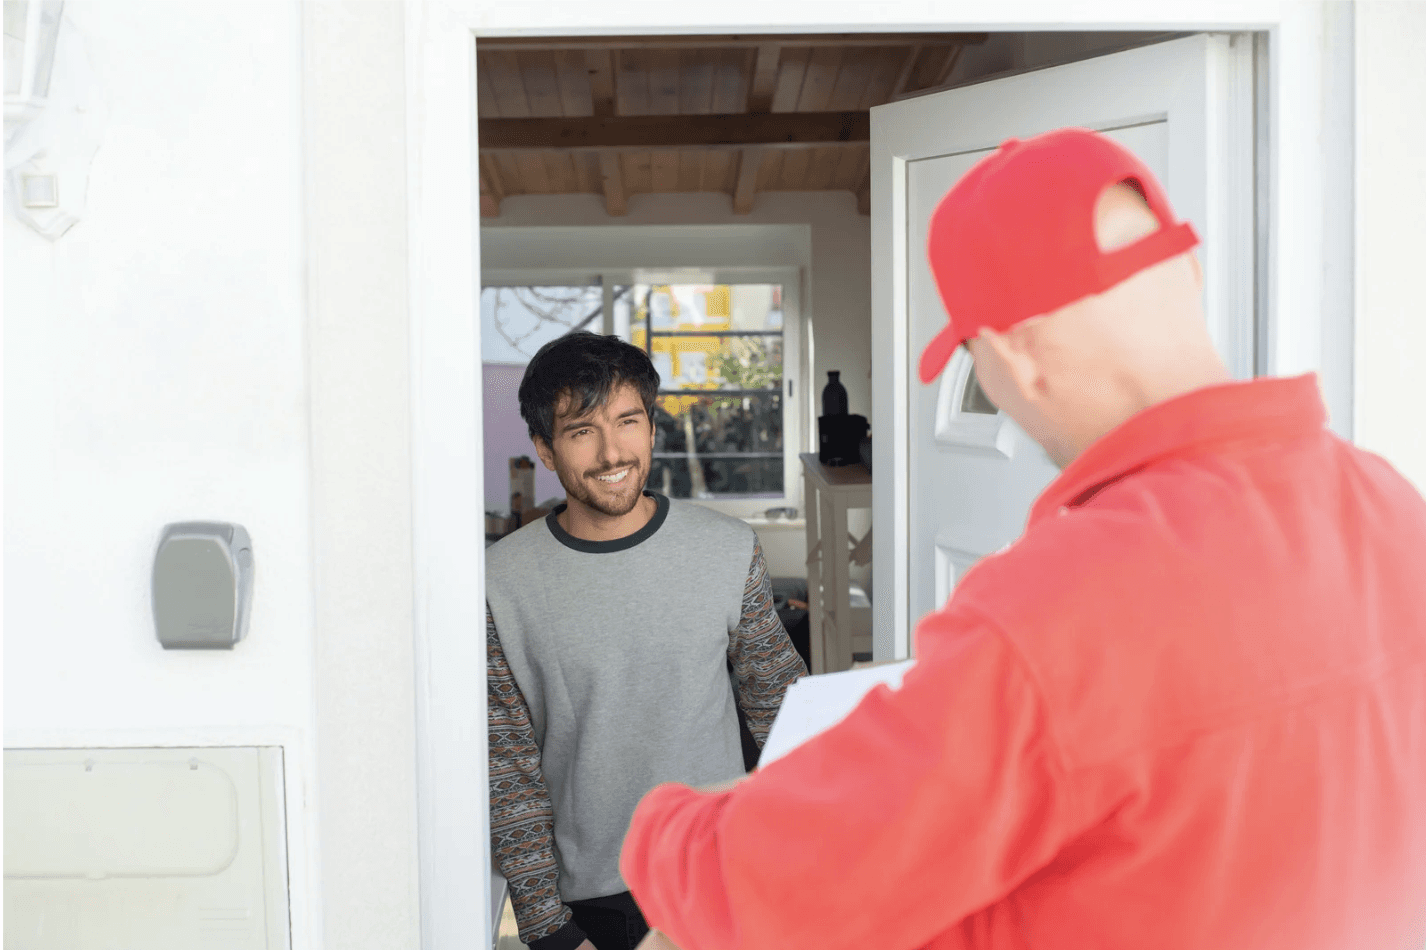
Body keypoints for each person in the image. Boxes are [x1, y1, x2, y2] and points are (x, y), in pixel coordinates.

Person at [618, 128, 1426, 950]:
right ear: (1186, 268)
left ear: (1013, 357)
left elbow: (767, 887)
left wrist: (661, 825)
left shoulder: (1065, 606)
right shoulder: (1393, 507)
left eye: (973, 360)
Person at [485, 331, 807, 950]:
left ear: (653, 429)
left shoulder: (728, 550)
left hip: (723, 878)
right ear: (545, 450)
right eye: (582, 431)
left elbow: (783, 712)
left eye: (628, 421)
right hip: (594, 904)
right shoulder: (501, 582)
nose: (613, 452)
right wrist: (549, 929)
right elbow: (509, 766)